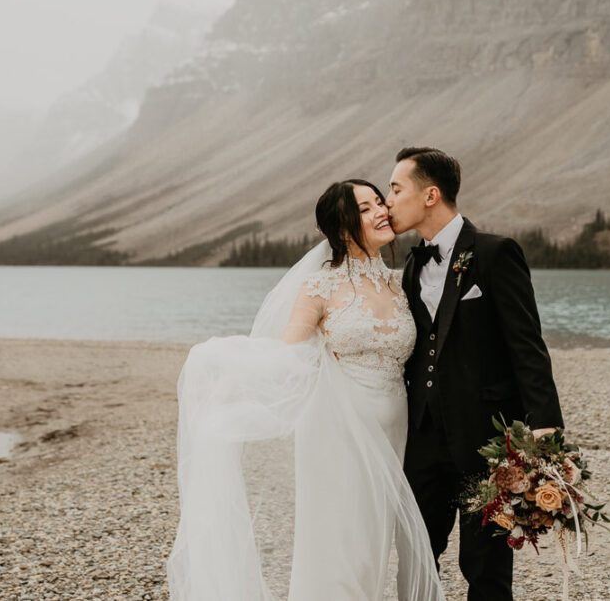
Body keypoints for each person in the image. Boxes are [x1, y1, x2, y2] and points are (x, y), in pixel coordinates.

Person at [167, 179, 444, 601]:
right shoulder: (319, 287)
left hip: (393, 429)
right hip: (335, 427)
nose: (380, 211)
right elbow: (286, 355)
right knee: (339, 541)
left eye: (379, 202)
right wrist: (228, 384)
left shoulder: (399, 283)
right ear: (342, 227)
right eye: (365, 208)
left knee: (372, 545)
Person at [386, 147, 564, 601]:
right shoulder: (413, 264)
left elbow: (526, 344)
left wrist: (546, 425)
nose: (389, 201)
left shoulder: (494, 253)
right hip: (423, 439)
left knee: (485, 568)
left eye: (396, 189)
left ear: (430, 195)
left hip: (485, 440)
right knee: (416, 556)